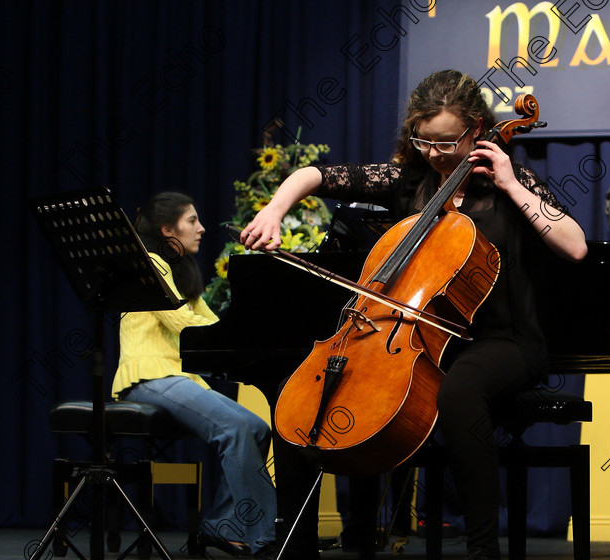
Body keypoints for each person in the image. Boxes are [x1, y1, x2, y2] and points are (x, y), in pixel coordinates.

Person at [241, 69, 587, 560]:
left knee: (461, 390)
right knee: (305, 395)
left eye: (448, 142)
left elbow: (574, 246)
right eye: (424, 141)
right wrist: (274, 210)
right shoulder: (410, 182)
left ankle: (483, 549)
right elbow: (315, 175)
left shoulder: (512, 183)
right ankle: (296, 546)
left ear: (477, 129)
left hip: (502, 341)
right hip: (415, 337)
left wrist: (512, 184)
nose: (436, 154)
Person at [112, 192, 278, 559]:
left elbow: (212, 324)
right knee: (235, 428)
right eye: (192, 221)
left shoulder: (182, 270)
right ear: (167, 229)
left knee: (258, 427)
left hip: (175, 379)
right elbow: (182, 321)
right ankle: (263, 535)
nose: (201, 228)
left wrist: (246, 335)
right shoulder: (150, 264)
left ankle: (222, 527)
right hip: (148, 377)